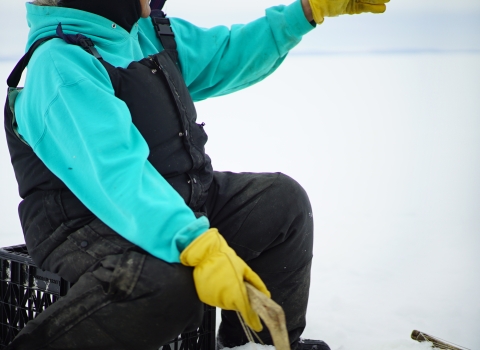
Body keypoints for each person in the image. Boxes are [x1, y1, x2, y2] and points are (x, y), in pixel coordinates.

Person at [4, 0, 388, 348]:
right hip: (87, 224)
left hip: (173, 200)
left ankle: (253, 346)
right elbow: (117, 174)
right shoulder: (60, 64)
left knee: (280, 202)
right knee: (166, 283)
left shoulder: (146, 35)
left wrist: (306, 11)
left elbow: (225, 54)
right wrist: (193, 242)